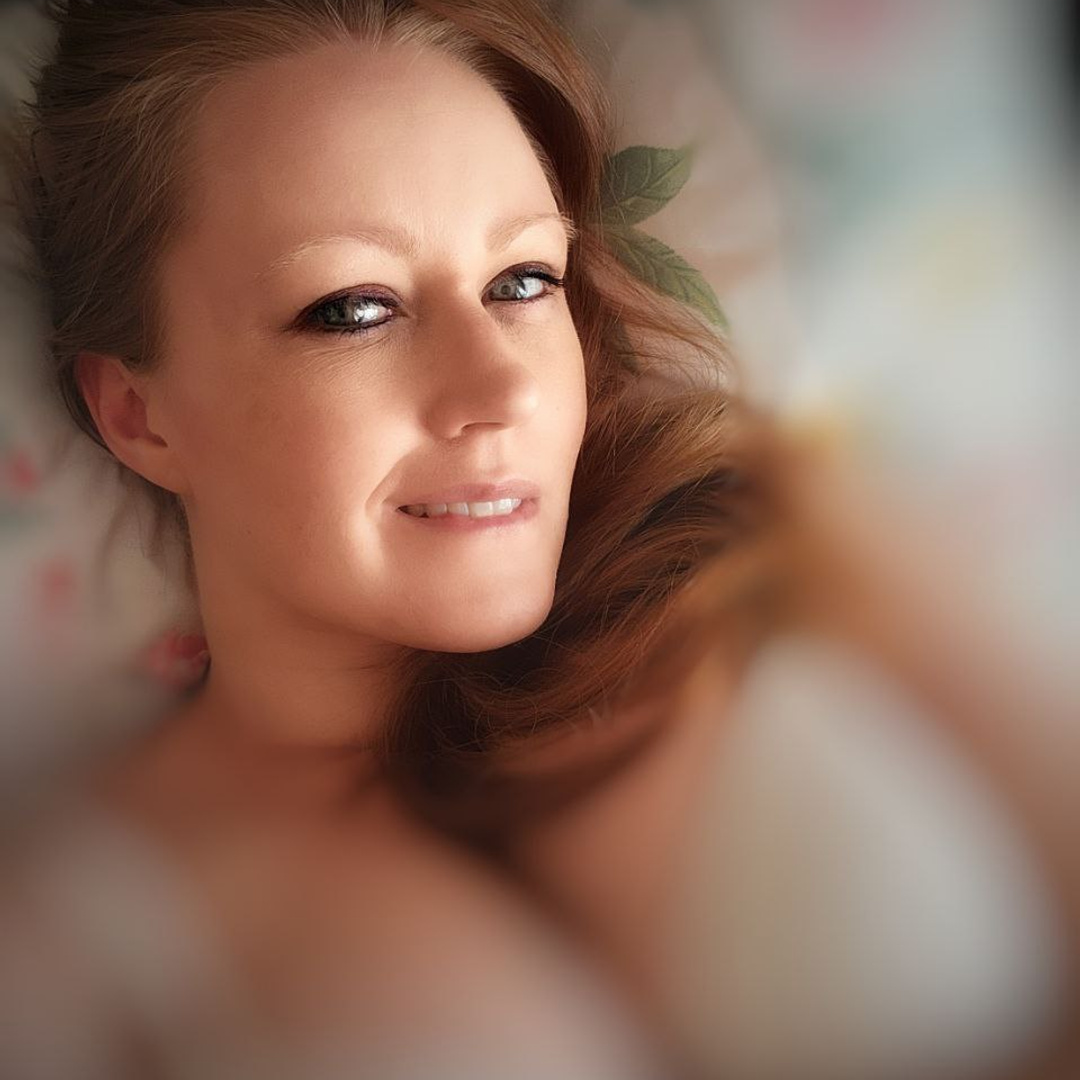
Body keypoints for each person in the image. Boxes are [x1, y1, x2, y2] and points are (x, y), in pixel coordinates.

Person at [1, 0, 1076, 1077]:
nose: (502, 389)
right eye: (354, 309)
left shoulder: (758, 528)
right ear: (138, 414)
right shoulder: (78, 933)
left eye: (523, 282)